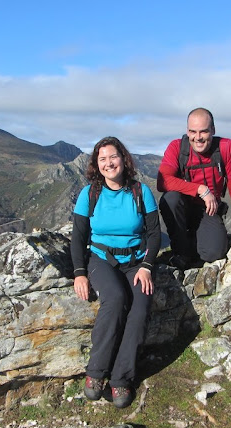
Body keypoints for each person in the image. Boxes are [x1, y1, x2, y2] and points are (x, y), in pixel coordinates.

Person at [70, 136, 161, 409]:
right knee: (115, 298)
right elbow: (78, 236)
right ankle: (96, 372)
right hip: (101, 259)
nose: (109, 163)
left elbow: (155, 234)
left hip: (135, 261)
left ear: (124, 159)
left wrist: (146, 267)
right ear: (96, 165)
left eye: (113, 157)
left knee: (141, 305)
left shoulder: (140, 191)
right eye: (102, 159)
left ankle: (121, 378)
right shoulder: (90, 194)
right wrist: (79, 273)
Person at [157, 107, 231, 268]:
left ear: (213, 130)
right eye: (193, 132)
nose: (197, 138)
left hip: (208, 210)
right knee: (170, 198)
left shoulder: (226, 148)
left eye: (203, 132)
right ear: (187, 131)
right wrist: (201, 189)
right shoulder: (177, 147)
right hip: (182, 207)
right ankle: (181, 252)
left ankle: (193, 240)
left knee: (214, 253)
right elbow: (162, 181)